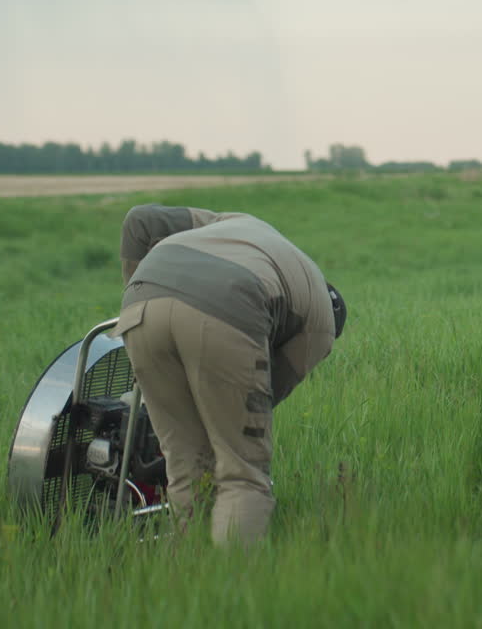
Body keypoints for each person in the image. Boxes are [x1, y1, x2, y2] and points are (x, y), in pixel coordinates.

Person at [111, 203, 346, 544]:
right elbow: (260, 395)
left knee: (186, 471)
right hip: (229, 300)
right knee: (243, 475)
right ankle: (232, 584)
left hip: (140, 304)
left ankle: (189, 574)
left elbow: (140, 220)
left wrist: (138, 293)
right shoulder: (322, 324)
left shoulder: (245, 223)